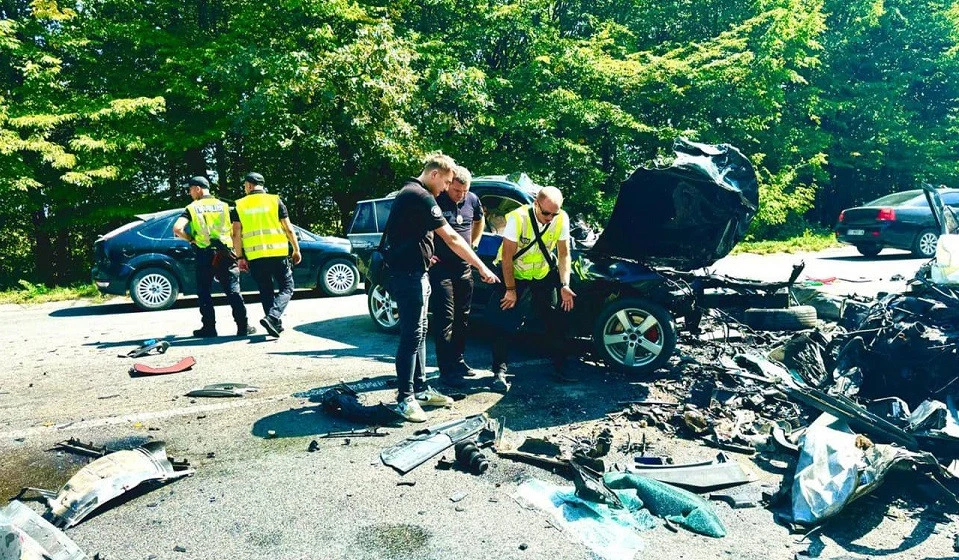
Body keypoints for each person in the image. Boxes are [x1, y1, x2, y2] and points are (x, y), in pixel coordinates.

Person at [383, 154, 499, 422]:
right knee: (412, 336)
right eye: (446, 182)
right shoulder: (419, 195)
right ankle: (405, 397)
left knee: (422, 332)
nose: (446, 188)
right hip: (408, 274)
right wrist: (482, 267)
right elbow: (452, 237)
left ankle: (421, 389)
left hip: (417, 272)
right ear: (434, 174)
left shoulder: (414, 193)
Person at [487, 186, 577, 391]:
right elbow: (507, 257)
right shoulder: (518, 218)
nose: (550, 218)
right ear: (536, 204)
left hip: (542, 273)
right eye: (546, 213)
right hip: (515, 274)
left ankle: (560, 366)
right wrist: (510, 289)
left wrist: (564, 284)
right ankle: (498, 372)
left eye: (554, 213)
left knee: (556, 316)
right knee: (505, 319)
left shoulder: (561, 217)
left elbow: (564, 254)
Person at [172, 176, 255, 337]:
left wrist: (191, 239)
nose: (190, 193)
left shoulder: (192, 207)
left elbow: (177, 229)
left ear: (198, 189)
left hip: (204, 253)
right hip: (225, 253)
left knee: (204, 291)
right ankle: (243, 326)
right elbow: (236, 229)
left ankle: (209, 328)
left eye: (190, 189)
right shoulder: (224, 206)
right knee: (233, 290)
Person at [429, 165, 485, 387]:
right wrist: (429, 251)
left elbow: (480, 219)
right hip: (441, 268)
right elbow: (422, 227)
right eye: (456, 191)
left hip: (463, 267)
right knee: (445, 318)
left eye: (464, 191)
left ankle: (459, 360)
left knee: (463, 317)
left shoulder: (472, 199)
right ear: (449, 183)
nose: (460, 195)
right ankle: (446, 369)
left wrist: (475, 242)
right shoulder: (437, 199)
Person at [231, 172, 302, 338]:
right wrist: (296, 249)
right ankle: (273, 317)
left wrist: (240, 257)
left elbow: (236, 233)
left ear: (249, 185)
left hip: (255, 256)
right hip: (278, 254)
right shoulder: (274, 200)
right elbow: (288, 228)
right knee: (287, 287)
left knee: (265, 290)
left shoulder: (240, 205)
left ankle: (274, 323)